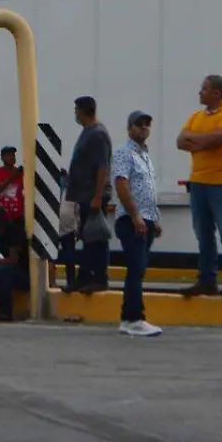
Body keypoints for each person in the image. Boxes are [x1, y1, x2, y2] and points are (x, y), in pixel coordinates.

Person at [177, 74, 222, 298]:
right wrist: (204, 141)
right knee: (203, 233)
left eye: (204, 89)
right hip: (198, 182)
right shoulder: (196, 116)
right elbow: (180, 141)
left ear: (217, 93)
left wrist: (196, 141)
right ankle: (207, 281)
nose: (200, 92)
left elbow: (217, 139)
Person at [112, 111, 162, 337]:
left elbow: (148, 188)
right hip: (133, 220)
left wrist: (155, 218)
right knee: (135, 270)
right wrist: (135, 215)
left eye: (147, 125)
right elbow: (121, 184)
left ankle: (126, 318)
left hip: (147, 218)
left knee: (138, 270)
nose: (144, 128)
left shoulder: (145, 155)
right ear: (129, 128)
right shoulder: (125, 152)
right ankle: (135, 318)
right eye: (139, 125)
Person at [65, 96, 112, 293]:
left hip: (93, 195)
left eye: (76, 110)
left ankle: (99, 278)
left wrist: (97, 196)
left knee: (96, 237)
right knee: (88, 236)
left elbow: (102, 167)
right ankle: (84, 277)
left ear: (84, 110)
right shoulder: (88, 132)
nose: (75, 114)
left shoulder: (97, 134)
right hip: (84, 195)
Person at [0, 146, 25, 223]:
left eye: (13, 155)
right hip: (2, 216)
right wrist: (11, 177)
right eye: (9, 155)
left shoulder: (21, 173)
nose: (12, 157)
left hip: (18, 216)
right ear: (2, 158)